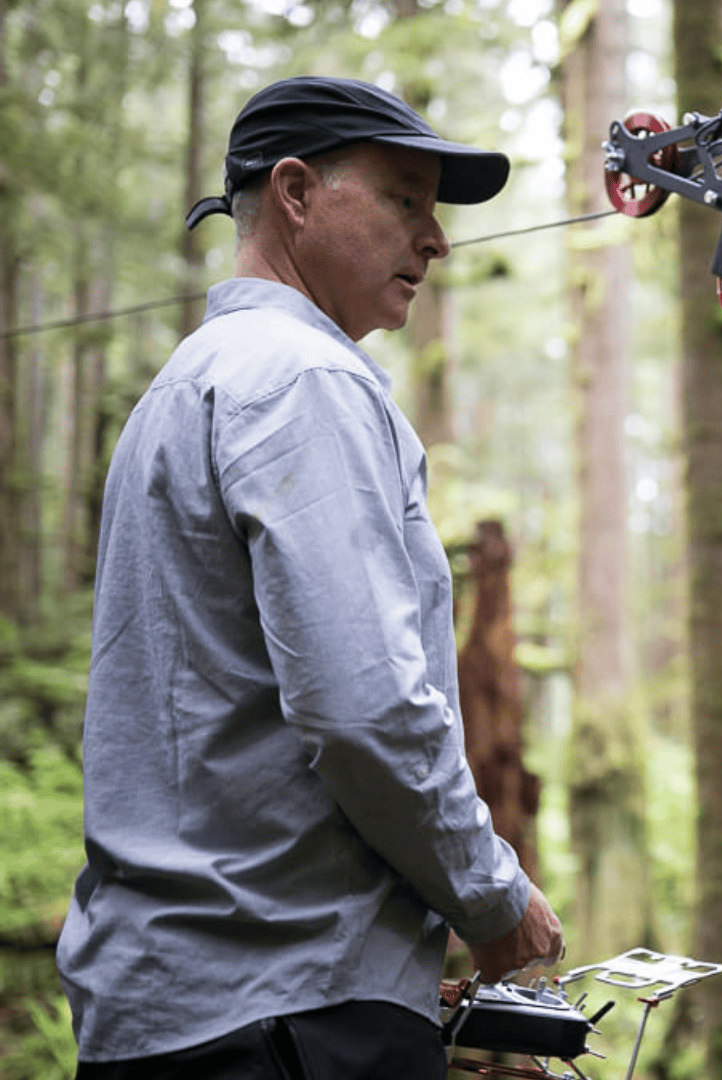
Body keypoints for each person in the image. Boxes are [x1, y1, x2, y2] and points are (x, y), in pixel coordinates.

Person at [57, 76, 563, 1078]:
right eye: (405, 199)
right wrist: (491, 900)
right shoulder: (305, 378)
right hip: (286, 1021)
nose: (436, 239)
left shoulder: (185, 384)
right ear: (294, 193)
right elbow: (362, 710)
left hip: (166, 1014)